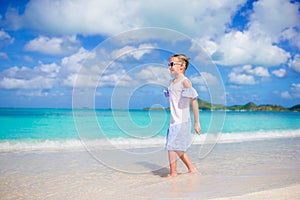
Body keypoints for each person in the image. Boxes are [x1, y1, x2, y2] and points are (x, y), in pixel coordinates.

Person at [165, 54, 201, 178]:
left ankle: (173, 173)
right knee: (176, 147)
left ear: (182, 66)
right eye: (169, 64)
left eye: (172, 64)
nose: (169, 67)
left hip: (182, 121)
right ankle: (191, 168)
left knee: (171, 147)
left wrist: (197, 122)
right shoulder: (171, 83)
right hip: (173, 121)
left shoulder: (185, 82)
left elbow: (194, 101)